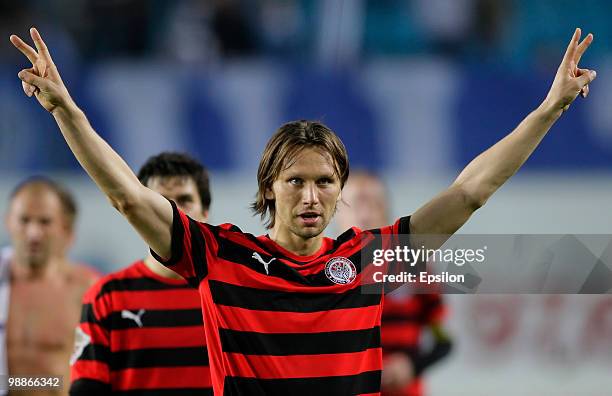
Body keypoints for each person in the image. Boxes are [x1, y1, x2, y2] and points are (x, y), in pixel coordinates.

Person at [11, 27, 596, 395]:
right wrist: (66, 110)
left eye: (324, 182)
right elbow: (128, 196)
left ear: (341, 189)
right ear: (269, 188)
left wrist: (548, 110)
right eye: (295, 182)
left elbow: (470, 191)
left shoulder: (370, 259)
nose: (311, 196)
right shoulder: (221, 256)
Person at [69, 152, 213, 395]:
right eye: (161, 201)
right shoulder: (108, 297)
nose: (173, 212)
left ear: (205, 212)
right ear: (142, 212)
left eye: (184, 200)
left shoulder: (232, 292)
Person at [336, 171, 452, 396]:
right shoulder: (317, 272)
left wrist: (412, 364)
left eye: (375, 203)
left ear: (386, 210)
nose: (366, 213)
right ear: (337, 212)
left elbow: (443, 341)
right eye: (356, 204)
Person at [3, 177, 98, 396]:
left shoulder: (88, 289)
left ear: (65, 229)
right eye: (24, 220)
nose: (33, 233)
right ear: (8, 221)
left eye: (44, 222)